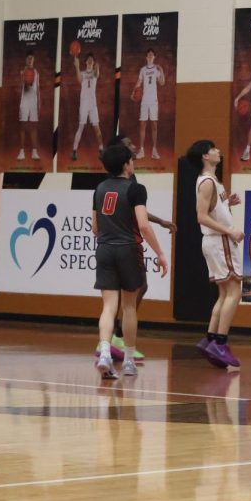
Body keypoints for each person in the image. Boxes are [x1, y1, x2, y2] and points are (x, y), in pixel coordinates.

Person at [92, 143, 168, 379]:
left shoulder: (100, 188)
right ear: (126, 164)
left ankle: (104, 351)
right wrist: (160, 253)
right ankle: (128, 361)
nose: (134, 163)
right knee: (128, 307)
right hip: (127, 249)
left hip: (104, 249)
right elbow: (143, 225)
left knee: (108, 306)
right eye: (132, 160)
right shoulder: (136, 189)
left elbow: (95, 228)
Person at [190, 139, 245, 369]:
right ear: (205, 155)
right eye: (214, 149)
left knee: (224, 294)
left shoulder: (213, 182)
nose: (218, 151)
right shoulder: (206, 183)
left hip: (214, 241)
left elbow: (214, 211)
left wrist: (227, 203)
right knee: (235, 292)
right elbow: (201, 216)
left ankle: (211, 339)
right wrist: (230, 231)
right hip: (219, 241)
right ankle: (220, 343)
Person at [134, 49, 166, 160]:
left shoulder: (157, 69)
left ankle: (154, 150)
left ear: (154, 57)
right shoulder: (143, 70)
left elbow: (162, 83)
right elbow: (139, 82)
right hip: (144, 100)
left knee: (154, 125)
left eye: (152, 54)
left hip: (153, 101)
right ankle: (141, 150)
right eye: (148, 54)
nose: (150, 56)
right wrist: (134, 91)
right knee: (142, 124)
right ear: (146, 57)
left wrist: (161, 70)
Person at [72, 52, 104, 161]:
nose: (90, 60)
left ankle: (101, 150)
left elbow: (96, 74)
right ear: (85, 62)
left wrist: (97, 67)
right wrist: (76, 66)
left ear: (93, 62)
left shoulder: (95, 72)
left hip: (92, 104)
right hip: (84, 104)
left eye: (92, 59)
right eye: (88, 59)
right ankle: (74, 151)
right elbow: (79, 80)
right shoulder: (82, 73)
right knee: (81, 126)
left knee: (97, 128)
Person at [17, 51, 40, 161]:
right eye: (28, 58)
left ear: (33, 60)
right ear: (26, 60)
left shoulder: (36, 72)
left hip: (33, 103)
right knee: (23, 126)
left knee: (33, 127)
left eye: (32, 58)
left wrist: (39, 102)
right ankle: (22, 151)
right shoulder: (22, 72)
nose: (30, 60)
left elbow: (38, 88)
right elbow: (24, 86)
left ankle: (34, 151)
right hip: (24, 102)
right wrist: (25, 77)